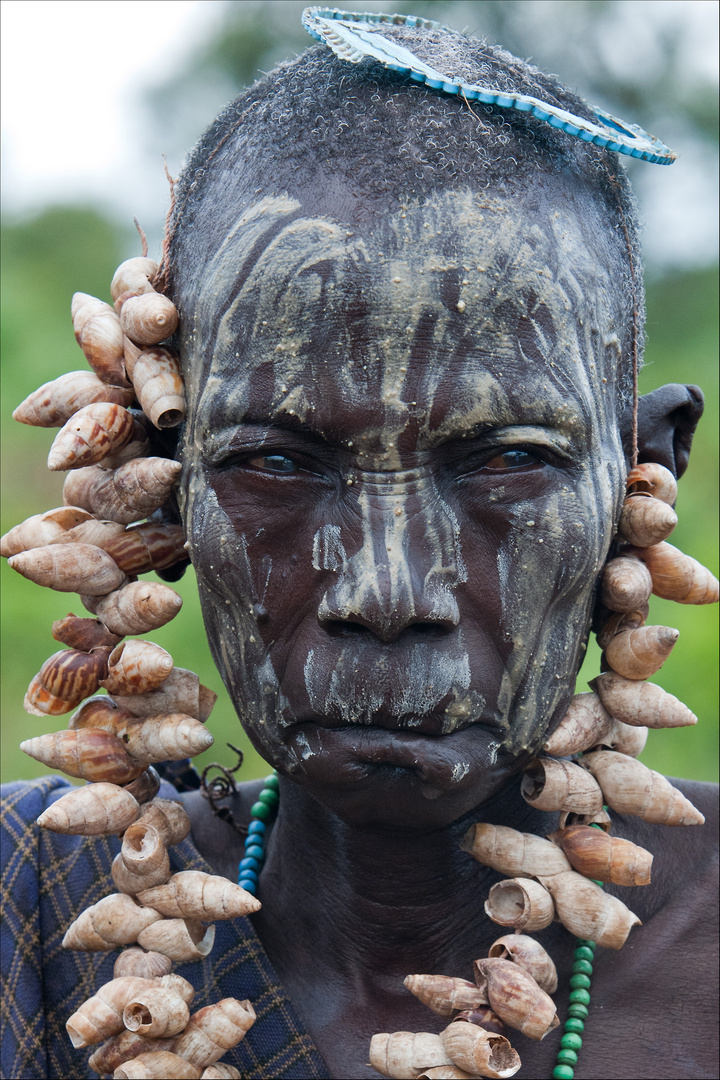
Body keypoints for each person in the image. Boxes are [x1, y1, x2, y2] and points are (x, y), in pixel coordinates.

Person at [1, 12, 717, 1080]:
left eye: (505, 461)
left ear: (640, 475)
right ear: (165, 482)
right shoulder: (33, 897)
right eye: (278, 465)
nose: (387, 592)